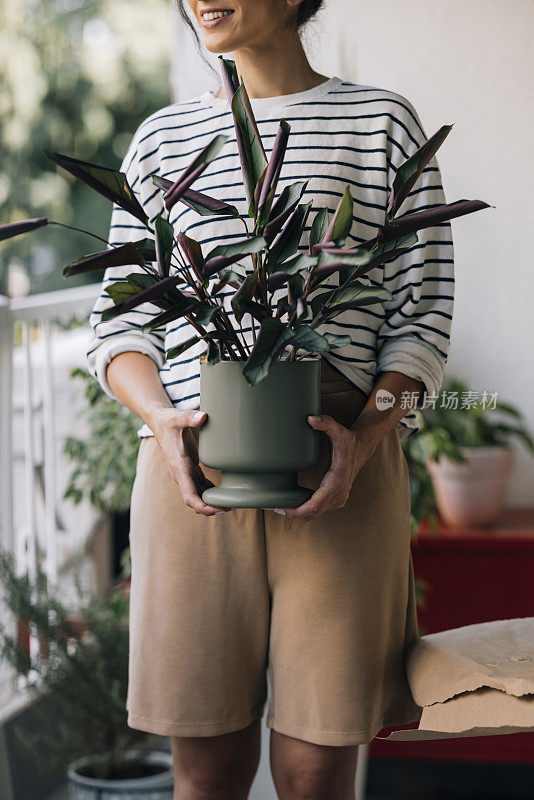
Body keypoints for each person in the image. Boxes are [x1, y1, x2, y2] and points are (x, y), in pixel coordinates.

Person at [86, 1, 454, 797]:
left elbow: (421, 316)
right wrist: (160, 420)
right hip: (192, 472)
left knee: (315, 766)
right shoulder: (163, 139)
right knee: (207, 767)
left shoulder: (379, 121)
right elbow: (118, 329)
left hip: (341, 466)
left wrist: (362, 440)